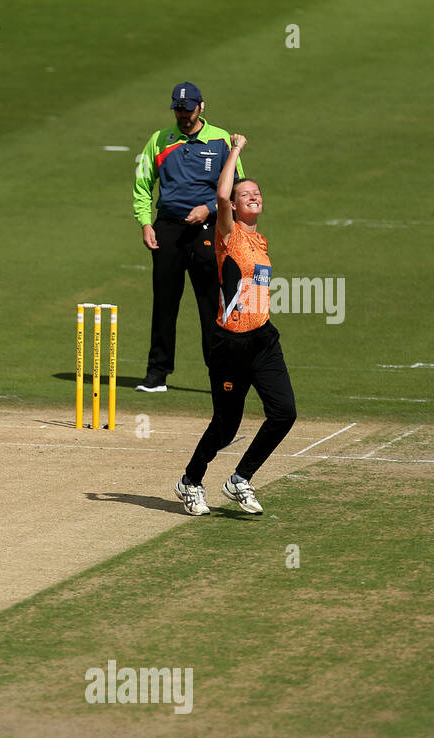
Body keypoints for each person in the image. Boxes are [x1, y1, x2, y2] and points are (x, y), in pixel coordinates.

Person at [174, 135, 296, 516]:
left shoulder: (260, 241)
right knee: (226, 427)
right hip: (229, 345)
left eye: (257, 192)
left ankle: (240, 479)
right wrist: (236, 151)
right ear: (235, 205)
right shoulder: (228, 235)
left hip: (263, 339)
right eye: (247, 194)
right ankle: (190, 482)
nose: (253, 196)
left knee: (284, 412)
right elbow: (222, 197)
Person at [133, 82, 242, 392]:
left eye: (188, 108)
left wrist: (208, 210)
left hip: (206, 229)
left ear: (201, 107)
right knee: (165, 302)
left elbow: (235, 187)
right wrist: (145, 222)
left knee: (210, 303)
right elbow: (142, 183)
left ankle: (219, 375)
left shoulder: (221, 140)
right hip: (168, 227)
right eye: (178, 109)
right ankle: (157, 374)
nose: (183, 114)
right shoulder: (160, 140)